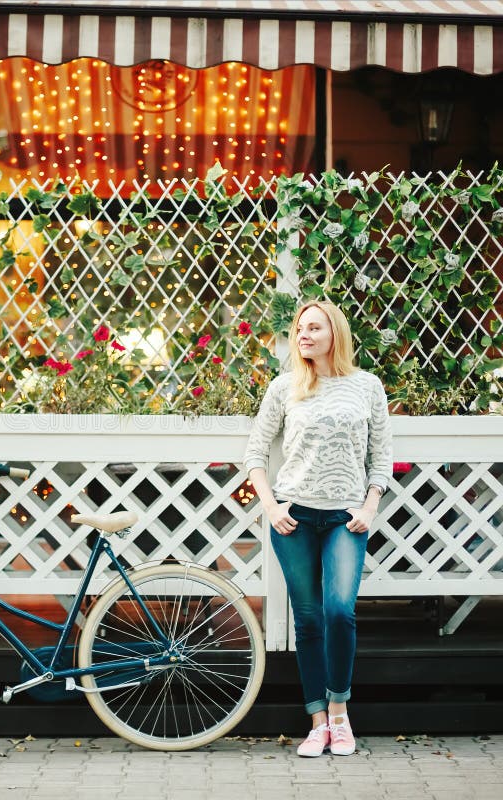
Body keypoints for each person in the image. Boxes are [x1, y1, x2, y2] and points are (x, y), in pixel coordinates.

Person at [243, 300, 392, 757]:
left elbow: (380, 456)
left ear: (335, 333)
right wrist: (270, 507)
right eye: (299, 329)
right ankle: (317, 723)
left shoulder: (366, 386)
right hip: (295, 519)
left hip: (348, 517)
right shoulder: (286, 386)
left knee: (338, 613)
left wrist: (370, 506)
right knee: (307, 620)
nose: (302, 335)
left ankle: (341, 714)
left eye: (313, 327)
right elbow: (254, 453)